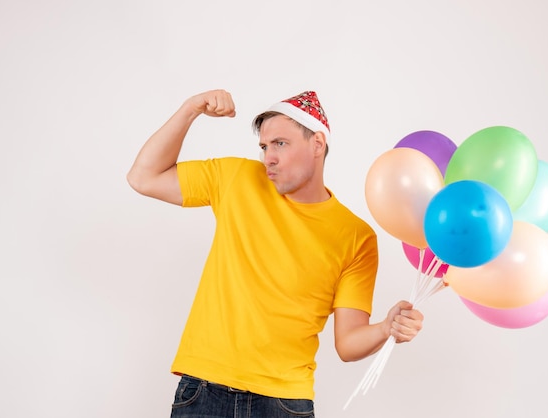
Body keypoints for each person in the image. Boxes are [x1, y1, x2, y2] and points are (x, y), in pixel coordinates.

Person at [127, 89, 425, 418]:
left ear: (317, 144)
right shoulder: (237, 178)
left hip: (284, 403)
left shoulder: (355, 236)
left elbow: (348, 342)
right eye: (264, 146)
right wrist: (190, 109)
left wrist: (387, 328)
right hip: (204, 390)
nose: (268, 156)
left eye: (280, 144)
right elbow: (143, 177)